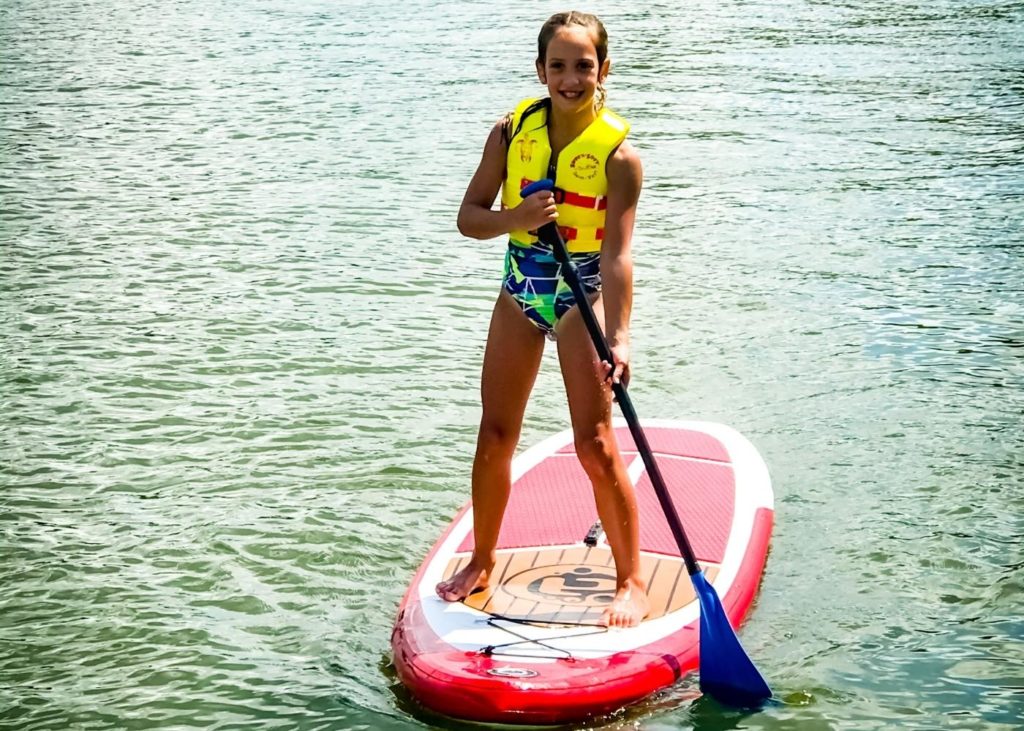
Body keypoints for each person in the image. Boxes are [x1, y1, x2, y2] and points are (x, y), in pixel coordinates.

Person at [435, 11, 648, 628]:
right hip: (519, 292)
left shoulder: (620, 158)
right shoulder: (509, 134)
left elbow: (617, 255)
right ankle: (482, 559)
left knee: (595, 443)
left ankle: (630, 580)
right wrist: (517, 218)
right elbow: (470, 217)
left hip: (582, 296)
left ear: (603, 70)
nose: (571, 78)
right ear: (540, 70)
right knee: (495, 432)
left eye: (584, 65)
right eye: (558, 66)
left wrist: (620, 336)